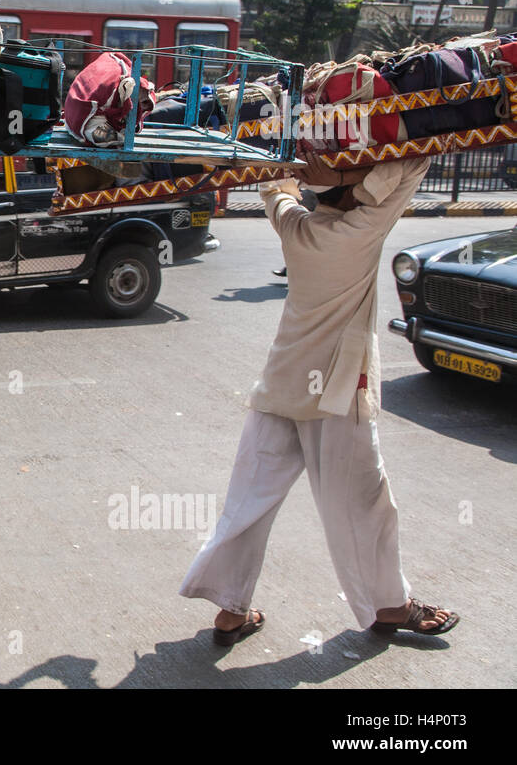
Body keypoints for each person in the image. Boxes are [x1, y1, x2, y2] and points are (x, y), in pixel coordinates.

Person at [180, 152, 459, 645]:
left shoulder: (296, 228)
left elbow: (274, 188)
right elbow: (410, 169)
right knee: (366, 505)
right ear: (353, 193)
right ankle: (390, 606)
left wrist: (285, 162)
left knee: (248, 503)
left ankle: (230, 610)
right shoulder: (361, 231)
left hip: (279, 388)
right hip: (333, 394)